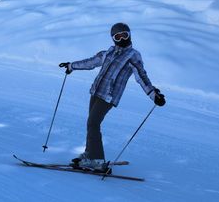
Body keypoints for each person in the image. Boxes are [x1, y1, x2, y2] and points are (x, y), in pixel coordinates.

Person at [59, 22, 165, 171]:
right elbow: (91, 62)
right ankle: (90, 154)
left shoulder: (133, 55)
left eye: (124, 35)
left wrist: (153, 94)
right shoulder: (108, 52)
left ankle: (97, 161)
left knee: (93, 123)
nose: (122, 39)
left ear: (129, 35)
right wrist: (71, 66)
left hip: (109, 96)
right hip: (96, 92)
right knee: (91, 124)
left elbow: (141, 76)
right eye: (118, 36)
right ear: (113, 38)